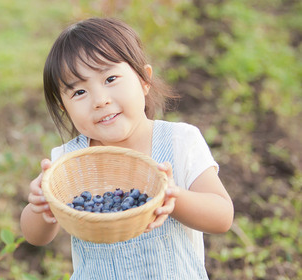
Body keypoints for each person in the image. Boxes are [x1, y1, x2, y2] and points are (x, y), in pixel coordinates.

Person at [20, 17, 234, 279]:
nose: (100, 100)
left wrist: (173, 197)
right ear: (65, 108)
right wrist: (41, 205)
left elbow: (222, 216)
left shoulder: (180, 141)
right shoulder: (68, 163)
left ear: (144, 80)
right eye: (79, 92)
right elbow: (36, 237)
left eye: (110, 78)